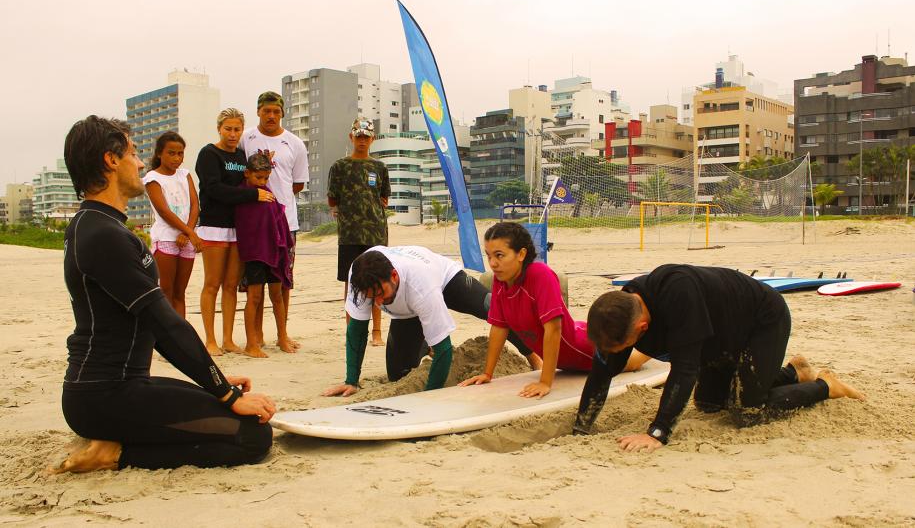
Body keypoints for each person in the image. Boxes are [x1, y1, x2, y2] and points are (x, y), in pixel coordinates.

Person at [54, 115, 275, 473]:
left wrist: (215, 382)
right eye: (133, 153)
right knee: (253, 437)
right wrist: (226, 394)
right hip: (106, 396)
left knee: (217, 405)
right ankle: (114, 454)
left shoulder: (95, 225)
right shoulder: (103, 236)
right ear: (111, 160)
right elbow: (165, 323)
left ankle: (115, 440)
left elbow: (155, 327)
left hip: (117, 387)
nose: (141, 163)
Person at [573, 264, 865, 452]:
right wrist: (582, 426)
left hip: (762, 321)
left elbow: (685, 370)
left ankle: (825, 386)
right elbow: (603, 369)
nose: (617, 354)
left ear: (642, 328)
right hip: (719, 336)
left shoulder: (678, 295)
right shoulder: (619, 311)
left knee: (746, 412)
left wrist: (657, 433)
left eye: (622, 347)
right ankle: (793, 372)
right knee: (709, 404)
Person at [460, 222, 650, 398]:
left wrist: (545, 382)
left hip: (582, 349)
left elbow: (554, 328)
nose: (492, 263)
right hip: (564, 358)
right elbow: (499, 327)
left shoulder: (540, 274)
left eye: (499, 255)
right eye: (489, 256)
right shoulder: (500, 281)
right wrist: (488, 373)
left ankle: (658, 342)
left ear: (521, 254)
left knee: (633, 362)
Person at [321, 246, 541, 397]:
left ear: (394, 276)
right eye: (372, 297)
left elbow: (444, 349)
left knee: (493, 308)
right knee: (397, 375)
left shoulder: (420, 286)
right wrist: (351, 380)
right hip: (407, 310)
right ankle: (425, 345)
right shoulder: (359, 278)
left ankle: (532, 355)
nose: (378, 302)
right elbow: (357, 330)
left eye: (381, 294)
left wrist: (429, 397)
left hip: (446, 279)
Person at [196, 108, 275, 356]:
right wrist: (252, 195)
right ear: (219, 129)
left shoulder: (242, 156)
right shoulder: (209, 154)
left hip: (238, 227)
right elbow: (214, 189)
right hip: (213, 226)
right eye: (228, 129)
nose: (232, 134)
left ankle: (228, 339)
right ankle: (210, 340)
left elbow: (252, 179)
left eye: (237, 129)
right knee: (212, 284)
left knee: (231, 285)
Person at [240, 91, 308, 334]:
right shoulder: (246, 138)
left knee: (283, 281)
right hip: (254, 224)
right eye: (266, 111)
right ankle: (256, 334)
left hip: (285, 223)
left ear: (282, 114)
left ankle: (282, 333)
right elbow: (241, 175)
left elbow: (297, 184)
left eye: (276, 112)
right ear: (258, 111)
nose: (271, 116)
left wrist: (278, 201)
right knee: (255, 283)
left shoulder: (295, 143)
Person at [327, 118, 389, 346]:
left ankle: (377, 332)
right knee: (351, 282)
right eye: (359, 136)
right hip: (349, 234)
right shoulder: (339, 166)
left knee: (378, 280)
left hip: (375, 233)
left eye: (366, 137)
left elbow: (383, 198)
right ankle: (351, 332)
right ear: (351, 137)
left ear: (373, 139)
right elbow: (332, 198)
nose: (362, 140)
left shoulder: (380, 167)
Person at [234, 152, 295, 358]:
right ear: (247, 173)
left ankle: (282, 337)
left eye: (266, 178)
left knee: (277, 295)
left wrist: (284, 246)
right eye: (258, 177)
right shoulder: (243, 195)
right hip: (254, 253)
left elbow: (278, 220)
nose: (262, 182)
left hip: (274, 251)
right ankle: (251, 343)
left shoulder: (268, 193)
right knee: (254, 297)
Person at [142, 131, 201, 317]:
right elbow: (164, 211)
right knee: (166, 292)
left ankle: (180, 332)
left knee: (179, 293)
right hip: (166, 238)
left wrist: (187, 233)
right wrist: (190, 233)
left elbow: (195, 206)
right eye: (171, 153)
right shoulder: (152, 178)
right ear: (159, 153)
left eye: (180, 153)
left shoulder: (185, 174)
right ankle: (167, 331)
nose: (177, 158)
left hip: (186, 238)